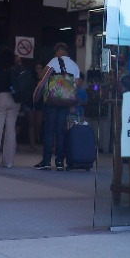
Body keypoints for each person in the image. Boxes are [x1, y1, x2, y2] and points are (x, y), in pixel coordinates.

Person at [36, 42, 81, 170]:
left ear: (57, 51)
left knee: (49, 130)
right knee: (60, 131)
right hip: (65, 102)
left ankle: (46, 161)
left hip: (52, 100)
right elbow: (76, 85)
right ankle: (60, 162)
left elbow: (42, 76)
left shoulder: (54, 61)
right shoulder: (75, 66)